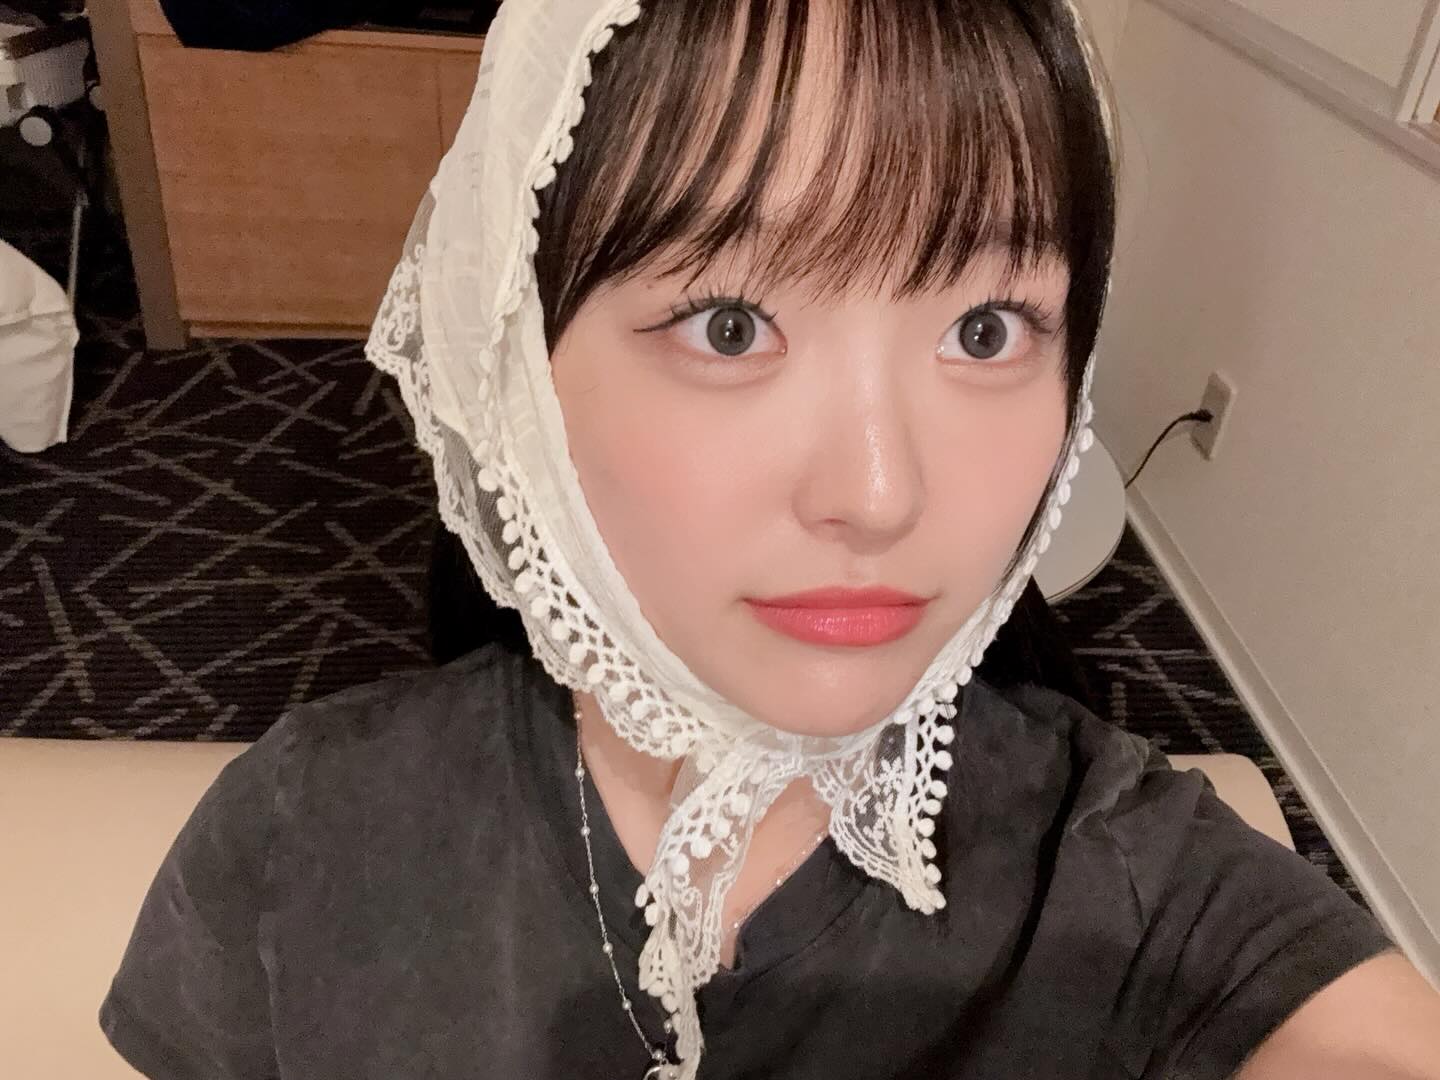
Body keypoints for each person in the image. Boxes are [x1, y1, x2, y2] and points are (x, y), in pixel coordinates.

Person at [98, 2, 1440, 1078]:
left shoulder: (1132, 880)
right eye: (731, 324)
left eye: (984, 330)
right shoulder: (297, 842)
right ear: (518, 374)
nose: (880, 493)